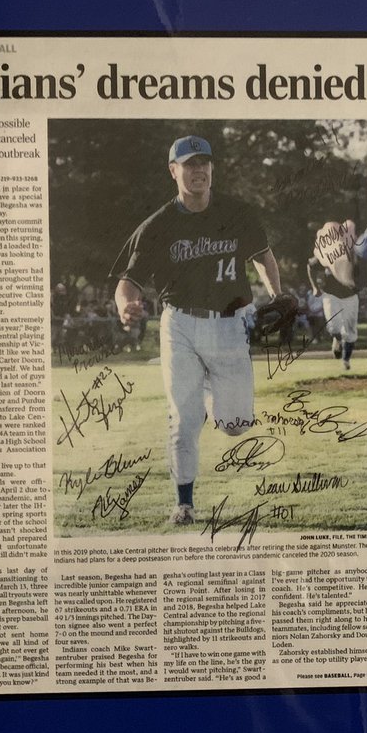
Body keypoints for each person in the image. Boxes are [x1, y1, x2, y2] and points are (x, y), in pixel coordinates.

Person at [113, 135, 285, 525]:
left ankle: (210, 398)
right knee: (183, 419)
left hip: (231, 325)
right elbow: (128, 282)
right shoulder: (158, 225)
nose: (198, 170)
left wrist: (278, 295)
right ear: (173, 171)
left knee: (235, 425)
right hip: (181, 326)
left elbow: (263, 256)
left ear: (212, 168)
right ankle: (184, 503)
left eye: (204, 162)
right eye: (189, 164)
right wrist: (126, 307)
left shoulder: (238, 212)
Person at [307, 219, 363, 369]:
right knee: (333, 327)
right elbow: (310, 266)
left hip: (351, 296)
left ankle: (346, 360)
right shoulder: (326, 252)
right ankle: (336, 339)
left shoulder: (355, 251)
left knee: (351, 332)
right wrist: (315, 288)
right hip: (331, 295)